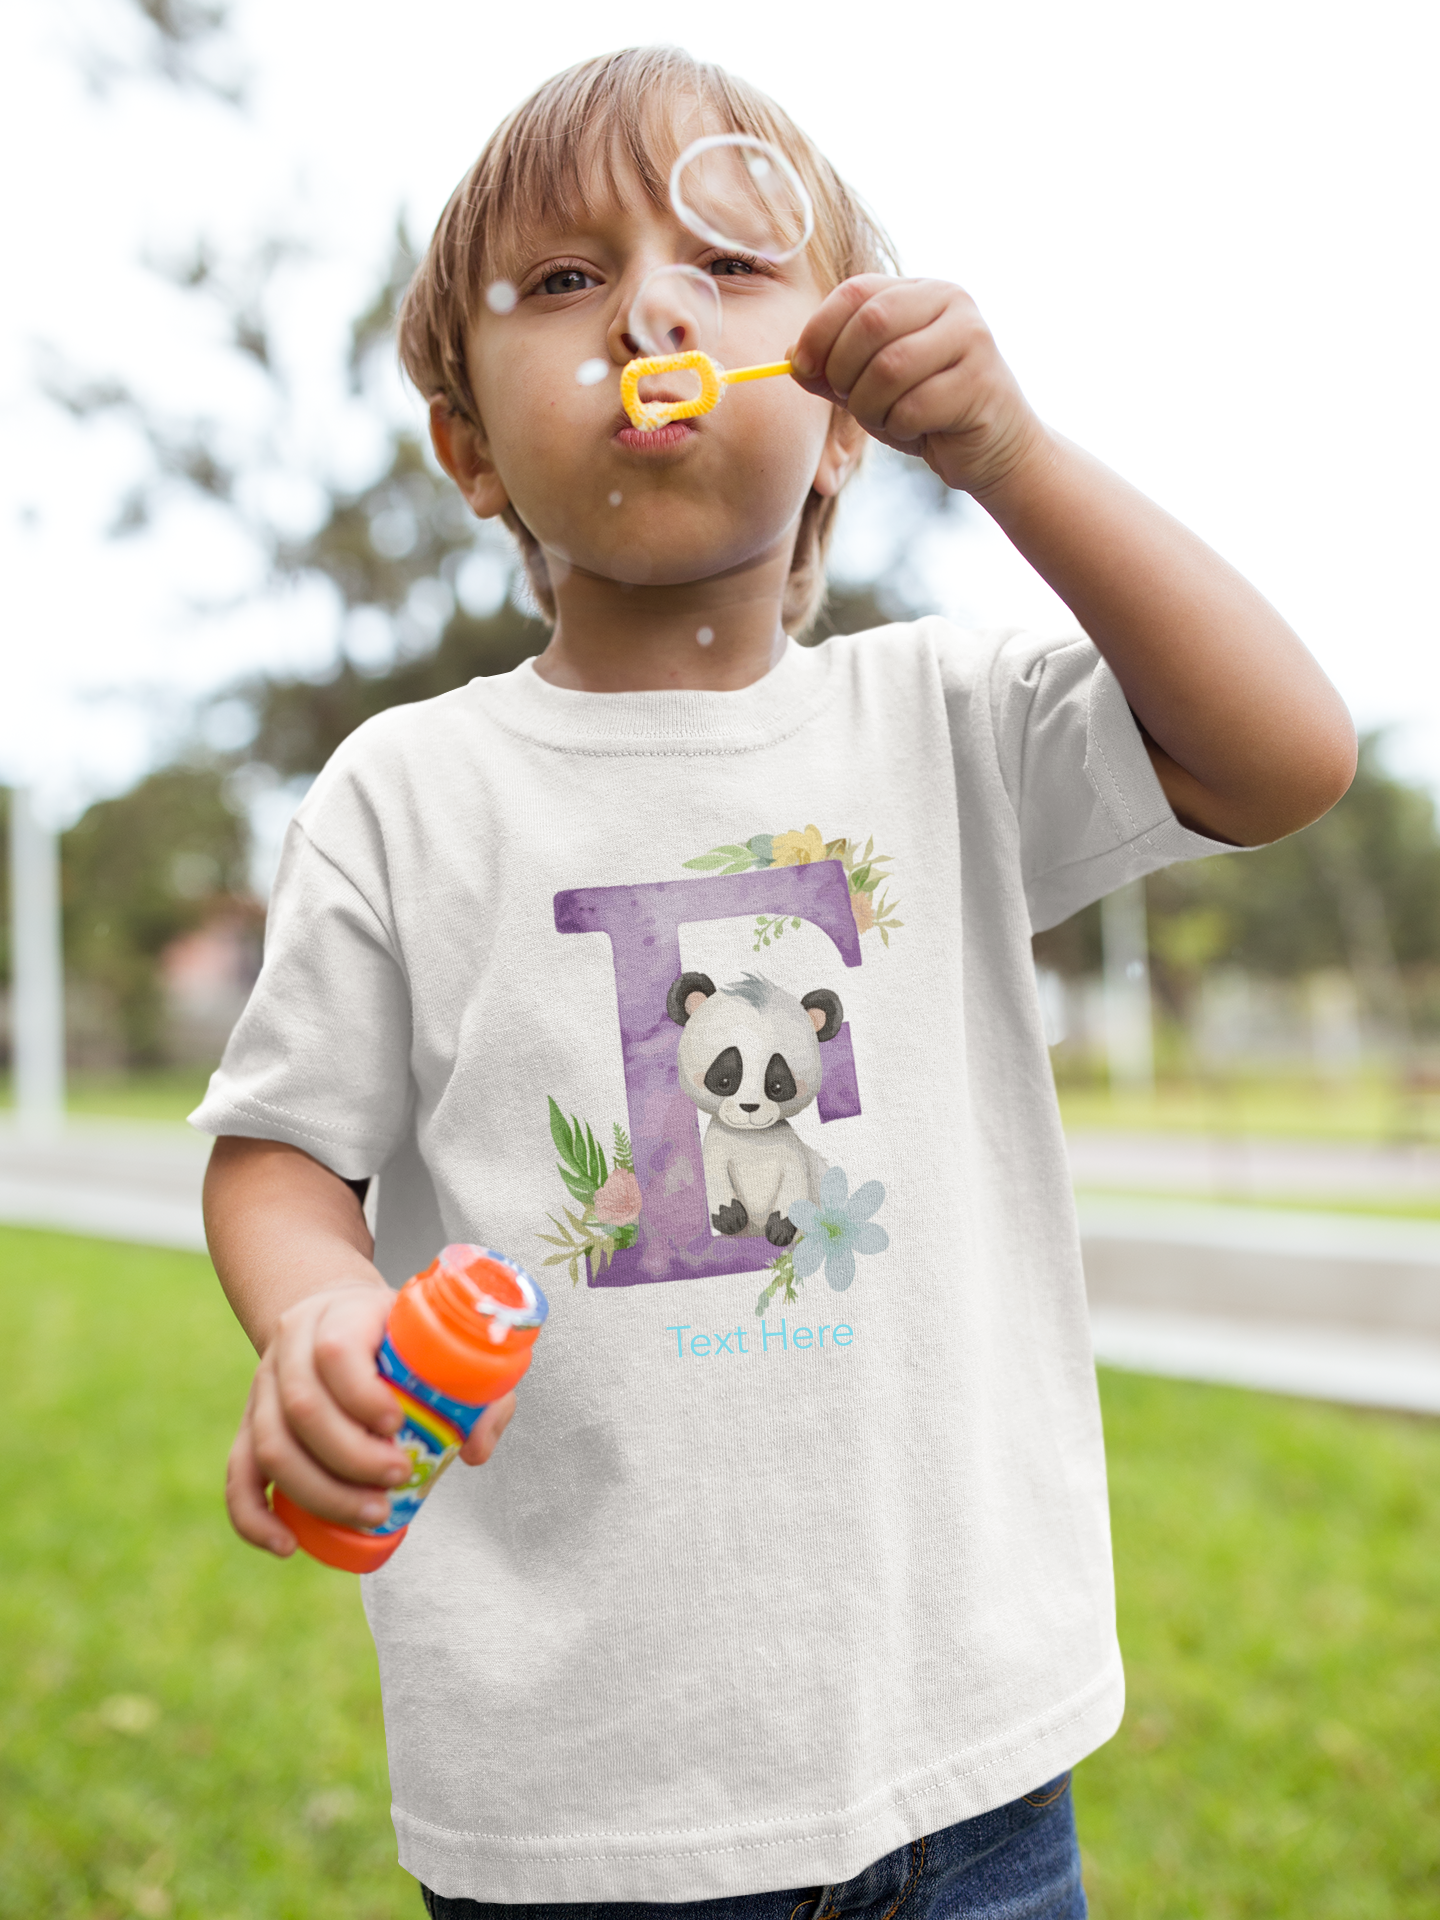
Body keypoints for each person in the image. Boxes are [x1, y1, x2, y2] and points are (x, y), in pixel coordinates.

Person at [194, 46, 1356, 1920]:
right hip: (577, 1806)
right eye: (565, 282)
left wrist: (1018, 459)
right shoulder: (411, 794)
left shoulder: (950, 720)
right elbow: (278, 1154)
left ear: (836, 414)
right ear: (470, 445)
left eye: (728, 266)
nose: (651, 304)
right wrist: (318, 1313)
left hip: (969, 1768)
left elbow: (1282, 756)